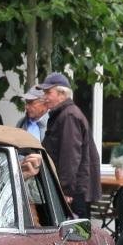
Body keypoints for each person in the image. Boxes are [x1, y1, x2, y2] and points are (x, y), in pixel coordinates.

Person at [40, 72, 101, 219]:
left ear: (62, 94)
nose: (45, 97)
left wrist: (66, 190)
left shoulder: (68, 116)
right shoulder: (65, 114)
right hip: (74, 190)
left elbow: (70, 157)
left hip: (73, 192)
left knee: (76, 232)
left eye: (48, 92)